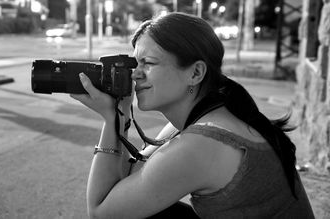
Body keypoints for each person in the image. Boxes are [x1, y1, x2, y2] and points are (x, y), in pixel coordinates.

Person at [70, 12, 314, 218]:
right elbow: (129, 175)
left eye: (149, 63)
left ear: (196, 73)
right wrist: (119, 112)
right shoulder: (214, 112)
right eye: (135, 64)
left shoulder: (202, 143)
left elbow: (100, 211)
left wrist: (113, 117)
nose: (135, 75)